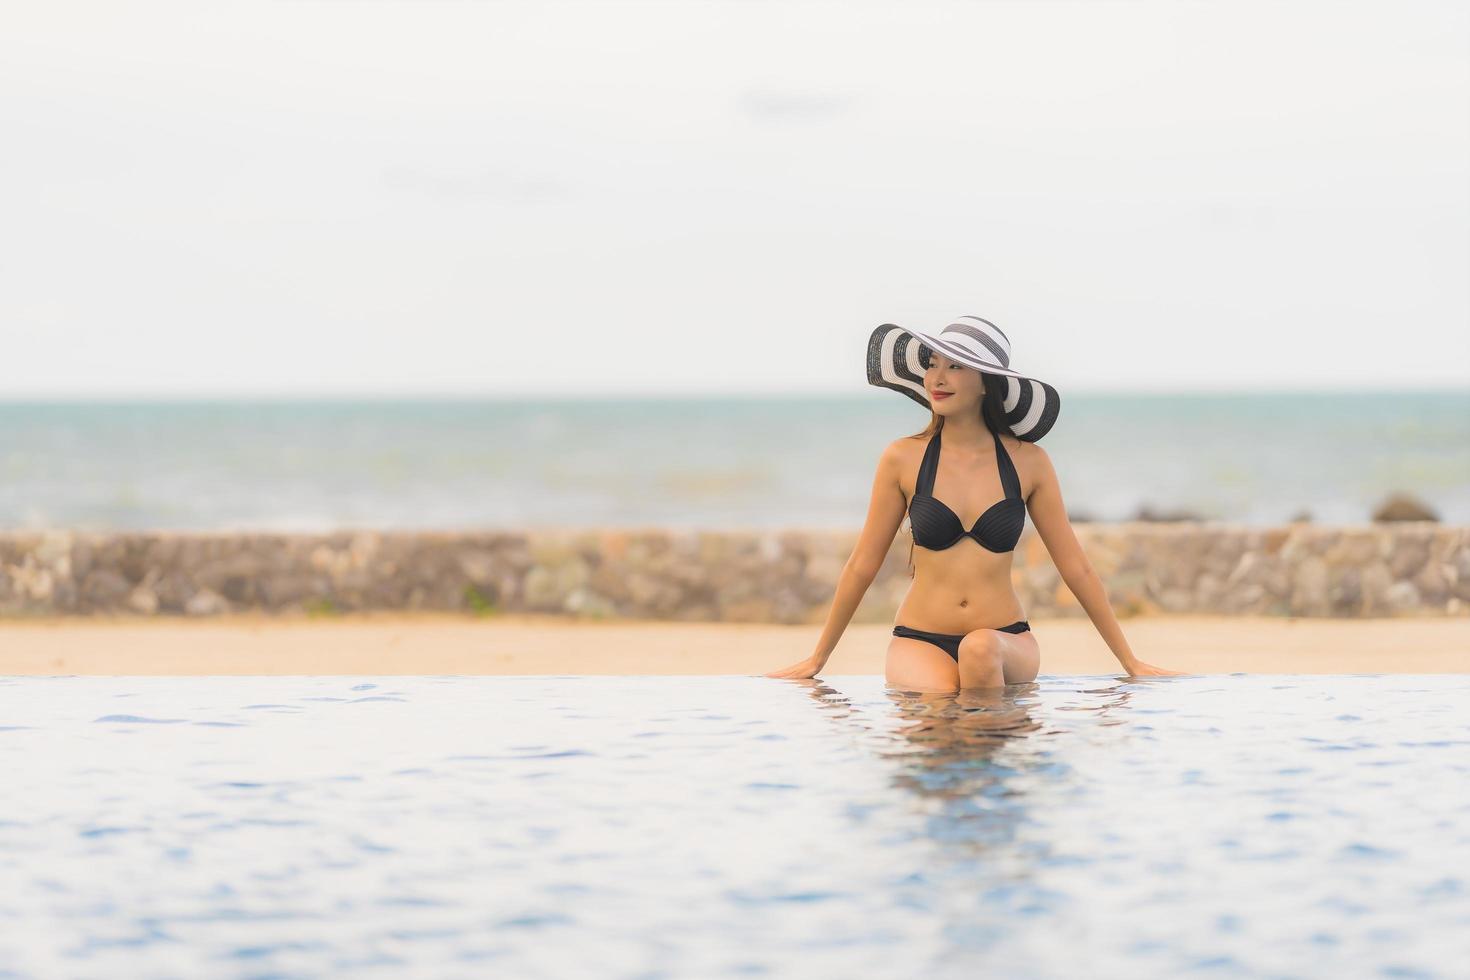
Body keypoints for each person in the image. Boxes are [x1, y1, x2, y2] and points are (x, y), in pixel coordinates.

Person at [766, 316, 1184, 692]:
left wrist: (1129, 662)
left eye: (955, 366)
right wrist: (817, 659)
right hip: (918, 639)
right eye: (932, 364)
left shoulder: (1029, 463)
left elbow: (1076, 566)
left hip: (1005, 640)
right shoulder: (903, 459)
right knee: (943, 700)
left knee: (979, 650)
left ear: (986, 382)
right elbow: (862, 564)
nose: (937, 377)